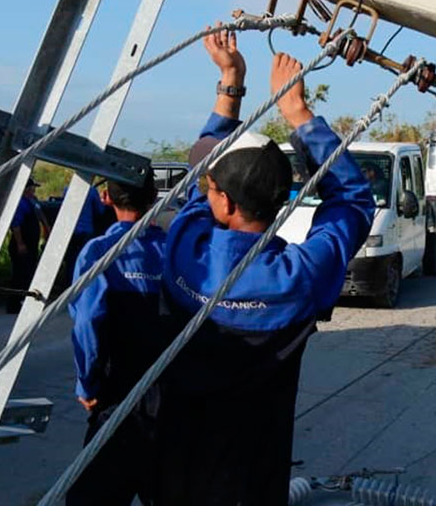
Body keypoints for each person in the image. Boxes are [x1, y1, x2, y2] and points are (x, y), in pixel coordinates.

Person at [153, 29, 375, 505]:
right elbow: (354, 201)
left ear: (225, 202)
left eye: (211, 188)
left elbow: (202, 164)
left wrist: (231, 80)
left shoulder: (185, 247)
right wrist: (297, 113)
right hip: (256, 475)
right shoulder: (300, 277)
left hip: (175, 465)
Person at [66, 171, 165, 506]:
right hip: (170, 395)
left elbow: (88, 323)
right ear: (154, 197)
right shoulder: (172, 250)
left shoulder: (99, 252)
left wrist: (88, 385)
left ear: (105, 198)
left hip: (116, 393)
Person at [7, 178, 50, 312]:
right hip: (22, 245)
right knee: (19, 274)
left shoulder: (31, 201)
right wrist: (20, 243)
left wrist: (46, 228)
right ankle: (13, 305)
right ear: (26, 189)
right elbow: (16, 225)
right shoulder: (20, 203)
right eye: (32, 188)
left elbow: (40, 214)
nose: (34, 191)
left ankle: (25, 300)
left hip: (31, 245)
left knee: (28, 272)